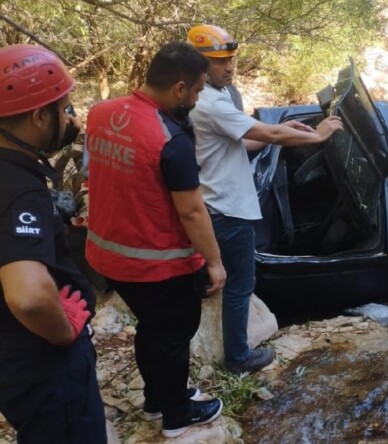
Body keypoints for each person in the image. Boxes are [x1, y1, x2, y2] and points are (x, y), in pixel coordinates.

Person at [84, 41, 227, 439]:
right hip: (158, 264)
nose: (198, 98)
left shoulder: (101, 113)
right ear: (179, 88)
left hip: (107, 255)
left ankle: (156, 399)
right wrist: (214, 262)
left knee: (151, 328)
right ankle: (177, 415)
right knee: (173, 335)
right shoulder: (170, 140)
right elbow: (192, 211)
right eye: (198, 90)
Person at [187, 24, 344, 374]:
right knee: (240, 285)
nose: (228, 67)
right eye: (218, 61)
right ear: (197, 65)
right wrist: (316, 136)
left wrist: (287, 135)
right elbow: (267, 130)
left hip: (216, 201)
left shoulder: (211, 96)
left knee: (227, 278)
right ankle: (238, 358)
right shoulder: (210, 103)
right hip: (226, 207)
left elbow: (242, 140)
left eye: (231, 59)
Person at [0, 44, 107, 443]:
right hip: (42, 360)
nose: (69, 119)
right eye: (63, 110)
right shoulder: (19, 191)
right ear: (38, 115)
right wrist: (63, 332)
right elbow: (28, 296)